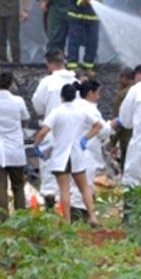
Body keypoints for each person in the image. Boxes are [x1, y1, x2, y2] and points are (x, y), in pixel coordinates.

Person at [33, 83, 103, 224]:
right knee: (84, 188)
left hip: (61, 156)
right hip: (77, 154)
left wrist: (36, 145)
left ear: (61, 97)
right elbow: (98, 125)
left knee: (64, 190)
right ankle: (93, 217)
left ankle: (67, 221)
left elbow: (43, 131)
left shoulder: (57, 112)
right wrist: (86, 138)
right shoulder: (81, 111)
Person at [0, 71, 30, 218]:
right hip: (15, 149)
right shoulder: (18, 101)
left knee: (0, 185)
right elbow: (25, 120)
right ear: (11, 84)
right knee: (18, 186)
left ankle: (3, 219)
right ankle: (21, 218)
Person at [31, 49, 77, 205]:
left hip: (51, 131)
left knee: (50, 172)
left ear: (49, 63)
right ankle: (69, 209)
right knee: (71, 172)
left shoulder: (47, 82)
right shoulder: (76, 81)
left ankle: (51, 207)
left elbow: (38, 106)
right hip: (73, 132)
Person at [69, 79, 111, 221]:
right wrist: (114, 124)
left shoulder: (74, 105)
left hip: (72, 150)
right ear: (90, 93)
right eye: (97, 93)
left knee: (74, 184)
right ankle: (80, 216)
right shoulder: (90, 109)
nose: (99, 96)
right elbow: (103, 131)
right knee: (84, 185)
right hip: (87, 152)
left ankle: (77, 215)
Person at [112, 66, 136, 170]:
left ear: (125, 78)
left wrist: (112, 142)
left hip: (127, 137)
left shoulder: (123, 95)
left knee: (127, 168)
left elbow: (119, 120)